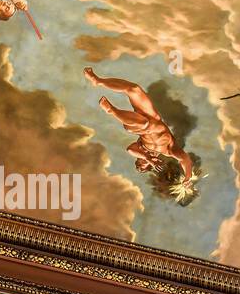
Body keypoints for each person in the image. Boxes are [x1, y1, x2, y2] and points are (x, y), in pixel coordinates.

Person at [84, 67, 201, 203]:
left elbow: (130, 149)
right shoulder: (169, 150)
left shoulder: (142, 148)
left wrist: (147, 158)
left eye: (139, 161)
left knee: (145, 124)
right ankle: (98, 81)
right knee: (133, 89)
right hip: (152, 115)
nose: (141, 160)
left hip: (137, 125)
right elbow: (185, 159)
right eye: (142, 164)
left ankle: (112, 111)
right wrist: (187, 177)